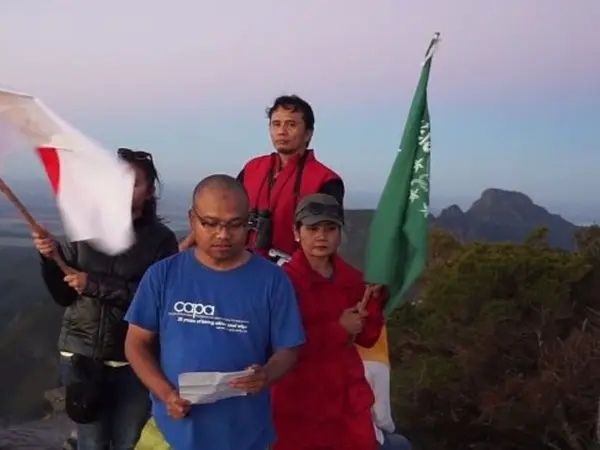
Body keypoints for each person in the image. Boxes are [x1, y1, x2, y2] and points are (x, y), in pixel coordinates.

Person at [124, 174, 306, 450]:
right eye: (210, 224)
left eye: (235, 225)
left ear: (248, 223)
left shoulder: (273, 281)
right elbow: (136, 343)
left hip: (244, 436)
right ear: (191, 219)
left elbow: (289, 348)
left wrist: (266, 375)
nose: (223, 234)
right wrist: (166, 394)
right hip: (170, 432)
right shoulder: (163, 275)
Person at [33, 148, 178, 450]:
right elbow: (63, 295)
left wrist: (95, 284)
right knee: (92, 440)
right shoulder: (85, 230)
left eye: (133, 183)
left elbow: (156, 301)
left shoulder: (160, 240)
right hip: (82, 355)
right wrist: (49, 258)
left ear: (150, 191)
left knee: (128, 439)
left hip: (134, 360)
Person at [271, 193, 387, 450]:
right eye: (312, 228)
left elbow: (367, 339)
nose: (321, 236)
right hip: (297, 402)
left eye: (330, 228)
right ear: (296, 232)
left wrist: (376, 300)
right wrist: (338, 329)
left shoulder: (356, 280)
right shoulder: (280, 283)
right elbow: (276, 344)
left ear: (340, 232)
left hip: (347, 403)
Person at [179, 95, 344, 264]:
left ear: (308, 133)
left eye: (291, 125)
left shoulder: (326, 180)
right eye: (276, 124)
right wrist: (185, 246)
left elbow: (327, 238)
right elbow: (223, 210)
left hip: (295, 274)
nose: (282, 131)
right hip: (241, 264)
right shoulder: (253, 168)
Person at [358, 328, 413, 450]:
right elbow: (382, 418)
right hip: (365, 440)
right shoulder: (377, 368)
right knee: (400, 444)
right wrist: (392, 429)